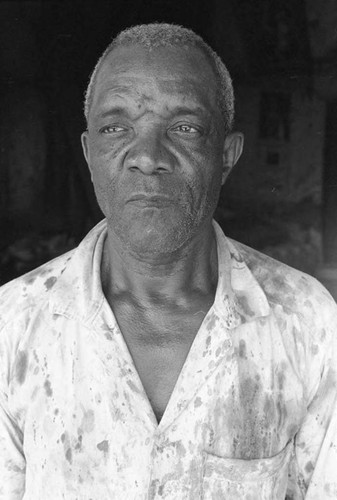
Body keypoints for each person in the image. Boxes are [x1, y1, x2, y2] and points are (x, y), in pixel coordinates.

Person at [1, 22, 337, 500]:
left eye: (184, 128)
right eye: (116, 127)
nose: (147, 156)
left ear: (226, 154)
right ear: (89, 154)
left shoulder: (307, 324)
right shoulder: (13, 328)